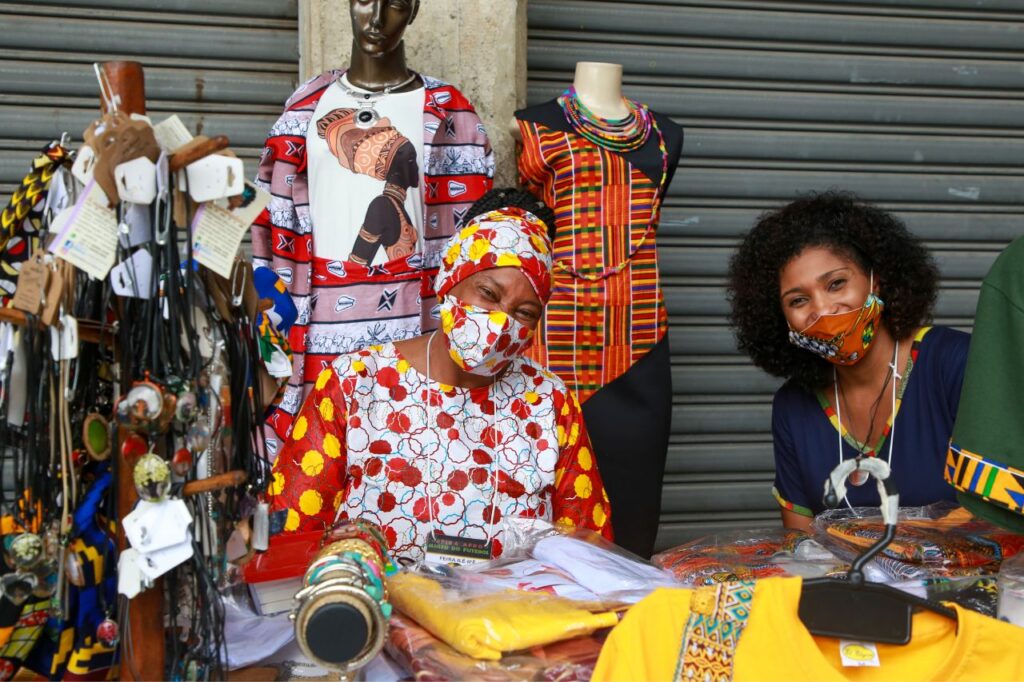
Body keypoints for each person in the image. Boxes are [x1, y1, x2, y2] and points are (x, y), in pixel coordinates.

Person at [266, 195, 613, 562]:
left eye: (523, 312)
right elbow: (290, 533)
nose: (499, 322)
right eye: (488, 294)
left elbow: (588, 553)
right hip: (375, 615)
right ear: (452, 276)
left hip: (503, 618)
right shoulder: (356, 383)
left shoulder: (549, 403)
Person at [252, 0, 494, 458]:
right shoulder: (306, 107)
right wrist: (268, 324)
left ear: (415, 10)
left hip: (415, 320)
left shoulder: (451, 112)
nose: (377, 18)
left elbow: (475, 244)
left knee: (408, 463)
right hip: (321, 322)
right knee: (317, 468)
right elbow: (272, 225)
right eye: (365, 0)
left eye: (396, 5)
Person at [727, 191, 969, 530]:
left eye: (836, 284)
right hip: (850, 584)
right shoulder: (793, 407)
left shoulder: (955, 364)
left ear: (877, 279)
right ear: (779, 319)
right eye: (798, 300)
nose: (823, 310)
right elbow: (801, 546)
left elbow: (1006, 518)